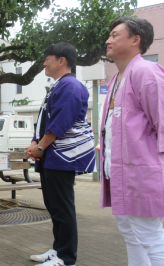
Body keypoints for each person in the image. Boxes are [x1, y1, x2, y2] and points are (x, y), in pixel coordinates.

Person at [100, 16, 164, 265]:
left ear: (136, 40)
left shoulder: (147, 72)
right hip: (120, 173)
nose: (108, 40)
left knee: (150, 237)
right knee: (131, 235)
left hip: (142, 172)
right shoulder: (116, 79)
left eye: (115, 34)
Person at [26, 43, 95, 266]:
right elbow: (46, 121)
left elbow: (60, 123)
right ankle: (58, 250)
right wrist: (36, 143)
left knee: (63, 206)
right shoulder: (58, 85)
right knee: (55, 205)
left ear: (61, 60)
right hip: (52, 157)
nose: (44, 63)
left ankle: (66, 258)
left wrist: (40, 146)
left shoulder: (71, 86)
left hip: (62, 157)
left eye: (47, 58)